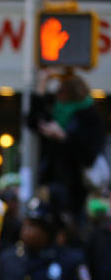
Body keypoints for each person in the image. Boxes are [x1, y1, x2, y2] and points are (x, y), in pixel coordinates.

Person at [29, 69, 105, 218]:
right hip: (51, 181)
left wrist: (64, 137)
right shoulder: (58, 111)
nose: (57, 95)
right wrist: (41, 85)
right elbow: (34, 121)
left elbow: (88, 154)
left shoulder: (89, 117)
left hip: (76, 189)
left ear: (72, 94)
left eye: (61, 91)